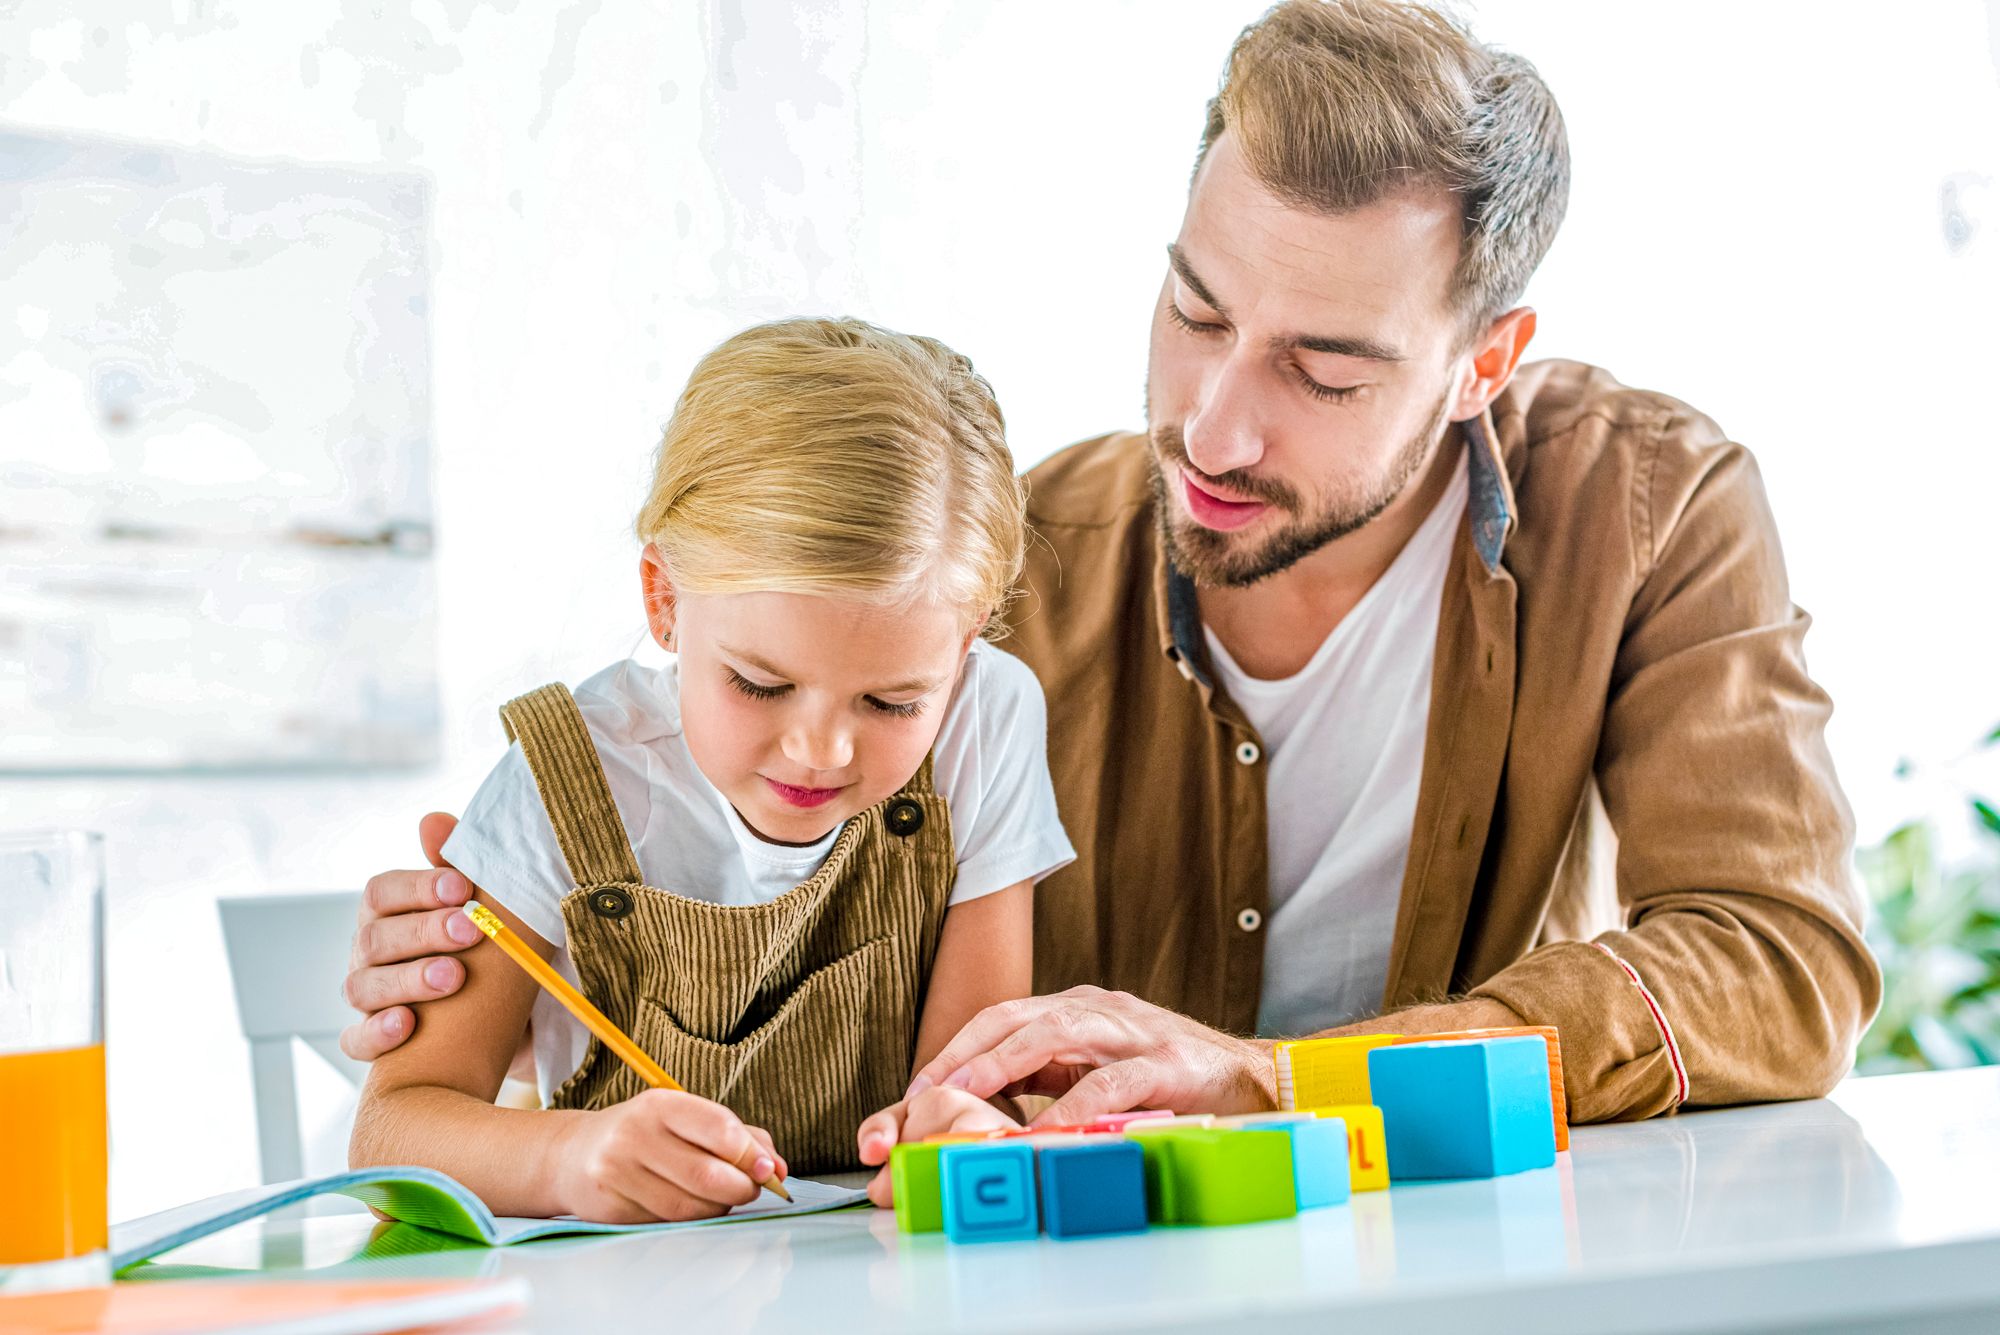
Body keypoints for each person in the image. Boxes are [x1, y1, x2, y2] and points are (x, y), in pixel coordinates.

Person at [343, 1, 1880, 1138]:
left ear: (1485, 361)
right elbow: (774, 866)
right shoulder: (1005, 564)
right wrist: (515, 927)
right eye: (1196, 310)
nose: (1211, 423)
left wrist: (1293, 1082)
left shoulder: (1652, 507)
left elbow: (1782, 961)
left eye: (1325, 372)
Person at [348, 318, 1072, 1222]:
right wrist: (568, 1159)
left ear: (962, 649)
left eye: (892, 704)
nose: (821, 751)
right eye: (760, 683)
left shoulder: (986, 716)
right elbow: (392, 1135)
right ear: (664, 601)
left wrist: (964, 1124)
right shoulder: (566, 779)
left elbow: (970, 1085)